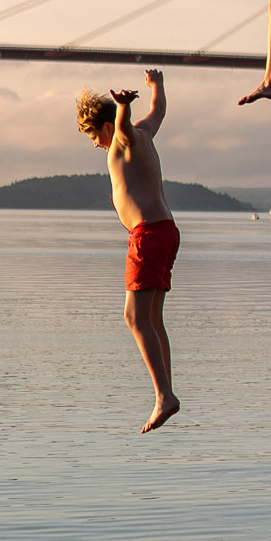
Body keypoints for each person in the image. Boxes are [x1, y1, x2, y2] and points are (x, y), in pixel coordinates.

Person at [76, 69, 179, 431]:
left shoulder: (123, 138)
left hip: (148, 235)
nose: (94, 144)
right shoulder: (146, 134)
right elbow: (159, 111)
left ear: (103, 127)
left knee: (134, 318)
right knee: (152, 319)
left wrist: (121, 108)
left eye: (92, 135)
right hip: (165, 231)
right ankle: (166, 391)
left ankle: (164, 396)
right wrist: (157, 86)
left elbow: (120, 128)